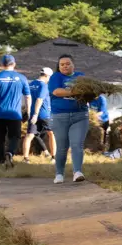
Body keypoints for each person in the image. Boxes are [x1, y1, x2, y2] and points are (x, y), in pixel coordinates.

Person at [0, 54, 32, 169]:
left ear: (2, 65)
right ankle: (9, 153)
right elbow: (28, 96)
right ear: (14, 64)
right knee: (15, 137)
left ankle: (0, 162)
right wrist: (28, 111)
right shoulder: (22, 78)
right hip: (15, 114)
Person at [49, 54, 90, 184]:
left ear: (73, 65)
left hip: (80, 115)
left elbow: (89, 91)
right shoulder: (56, 77)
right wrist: (76, 92)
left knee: (77, 145)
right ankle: (59, 174)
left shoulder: (80, 76)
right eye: (62, 64)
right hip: (60, 116)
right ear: (59, 67)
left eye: (68, 63)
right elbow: (57, 92)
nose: (65, 66)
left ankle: (77, 172)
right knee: (62, 147)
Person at [22, 67, 56, 164]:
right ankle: (53, 157)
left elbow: (27, 98)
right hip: (44, 115)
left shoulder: (31, 84)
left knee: (29, 135)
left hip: (32, 114)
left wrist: (28, 111)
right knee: (51, 134)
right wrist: (36, 114)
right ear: (46, 76)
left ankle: (26, 159)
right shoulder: (44, 86)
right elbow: (39, 100)